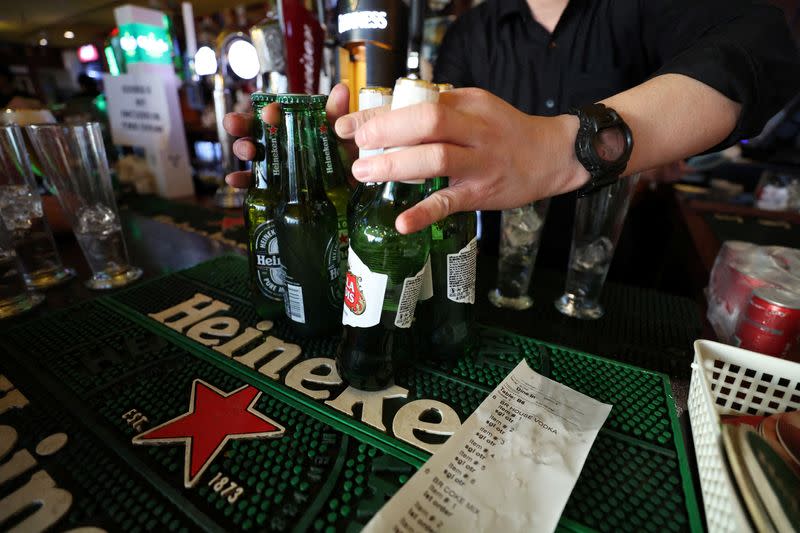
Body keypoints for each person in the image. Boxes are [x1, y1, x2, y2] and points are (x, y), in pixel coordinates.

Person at [223, 0, 800, 267]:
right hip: (491, 281)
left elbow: (759, 46)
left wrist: (565, 145)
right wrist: (367, 158)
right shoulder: (474, 30)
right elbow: (440, 146)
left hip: (614, 281)